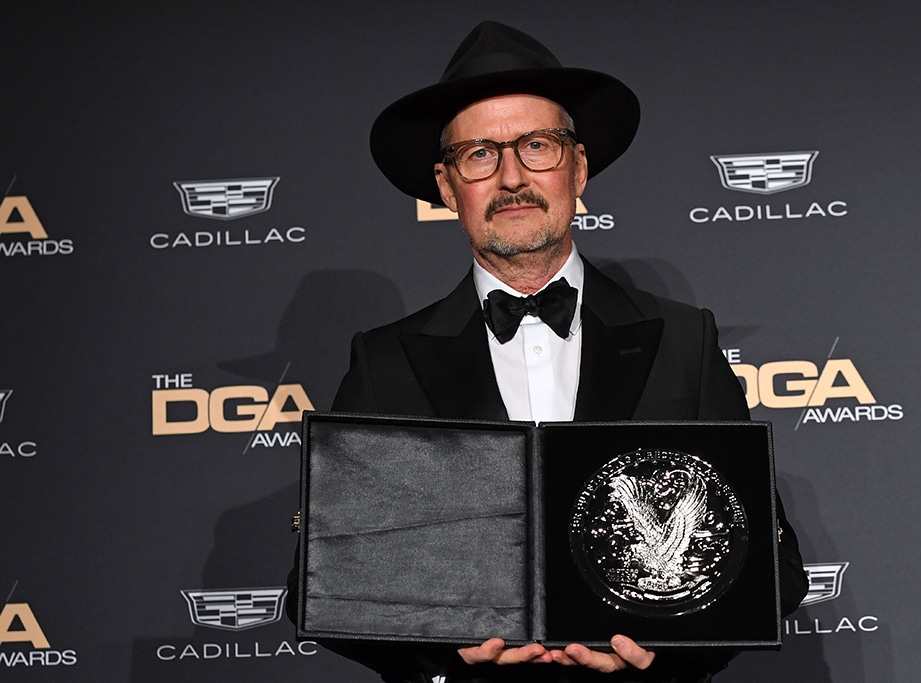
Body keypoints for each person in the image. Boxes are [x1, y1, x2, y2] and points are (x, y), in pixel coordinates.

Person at [288, 20, 807, 683]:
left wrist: (663, 657)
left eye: (536, 145)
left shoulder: (683, 340)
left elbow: (770, 564)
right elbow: (322, 577)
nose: (510, 177)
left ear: (578, 167)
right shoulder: (386, 361)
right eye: (480, 154)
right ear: (447, 187)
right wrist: (442, 656)